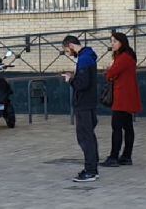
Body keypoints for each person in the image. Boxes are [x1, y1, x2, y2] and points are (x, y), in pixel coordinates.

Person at [62, 35, 99, 183]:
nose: (68, 53)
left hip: (84, 103)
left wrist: (70, 80)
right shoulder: (88, 56)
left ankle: (91, 171)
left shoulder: (84, 59)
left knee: (85, 137)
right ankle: (92, 168)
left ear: (71, 45)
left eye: (66, 50)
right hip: (88, 102)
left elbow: (82, 84)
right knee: (89, 136)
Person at [102, 32, 142, 167]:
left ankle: (114, 156)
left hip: (122, 97)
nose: (112, 44)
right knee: (127, 127)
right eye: (111, 41)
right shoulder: (128, 56)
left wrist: (110, 71)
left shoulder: (123, 57)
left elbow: (110, 74)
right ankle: (126, 156)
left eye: (114, 41)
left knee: (117, 128)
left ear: (122, 43)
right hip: (127, 96)